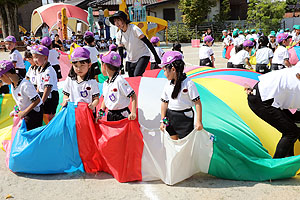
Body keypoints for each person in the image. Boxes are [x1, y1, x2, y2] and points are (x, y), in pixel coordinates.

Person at [246, 67, 300, 158]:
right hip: (262, 100)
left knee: (292, 128)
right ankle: (276, 166)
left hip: (268, 96)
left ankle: (289, 161)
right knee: (291, 132)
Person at [159, 51, 203, 140]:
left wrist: (199, 121)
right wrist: (162, 121)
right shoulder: (167, 84)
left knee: (185, 143)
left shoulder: (188, 83)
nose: (164, 73)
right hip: (170, 117)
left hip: (185, 118)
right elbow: (164, 103)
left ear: (173, 69)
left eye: (164, 70)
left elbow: (197, 102)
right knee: (172, 142)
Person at [109, 11, 161, 77]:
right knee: (131, 78)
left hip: (143, 55)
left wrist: (156, 57)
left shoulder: (134, 29)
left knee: (137, 75)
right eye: (115, 21)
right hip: (131, 59)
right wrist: (120, 64)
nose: (117, 23)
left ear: (124, 20)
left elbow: (148, 43)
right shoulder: (119, 34)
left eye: (118, 20)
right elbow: (121, 51)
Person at [0, 60, 43, 130]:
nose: (2, 81)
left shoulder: (25, 85)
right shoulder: (13, 84)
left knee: (30, 133)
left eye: (1, 78)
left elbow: (37, 100)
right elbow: (21, 100)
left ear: (6, 75)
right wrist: (16, 110)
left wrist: (24, 112)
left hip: (33, 112)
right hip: (25, 111)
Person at [98, 51, 137, 121]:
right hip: (111, 114)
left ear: (104, 66)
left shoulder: (119, 80)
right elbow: (105, 99)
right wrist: (101, 113)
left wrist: (133, 112)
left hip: (122, 115)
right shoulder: (106, 83)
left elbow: (133, 95)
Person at [62, 47, 100, 115]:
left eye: (82, 65)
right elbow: (66, 95)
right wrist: (65, 100)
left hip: (87, 113)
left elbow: (96, 99)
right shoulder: (70, 80)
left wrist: (93, 105)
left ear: (89, 65)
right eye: (76, 66)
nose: (79, 69)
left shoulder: (92, 82)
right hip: (73, 113)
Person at [31, 45, 58, 124]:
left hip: (50, 96)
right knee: (42, 115)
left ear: (45, 58)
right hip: (42, 94)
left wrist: (41, 101)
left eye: (37, 57)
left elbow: (48, 88)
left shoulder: (48, 70)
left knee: (50, 116)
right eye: (33, 57)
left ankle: (53, 130)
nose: (34, 60)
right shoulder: (39, 69)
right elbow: (39, 85)